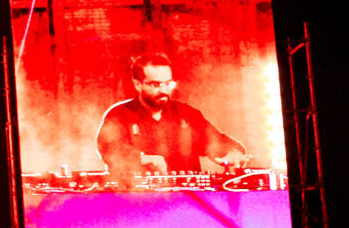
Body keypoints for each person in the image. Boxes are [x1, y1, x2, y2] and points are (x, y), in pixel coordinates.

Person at [96, 52, 246, 191]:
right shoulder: (119, 115)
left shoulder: (187, 114)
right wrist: (142, 159)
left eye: (168, 83)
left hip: (188, 200)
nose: (164, 91)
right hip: (135, 199)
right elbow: (110, 149)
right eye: (155, 85)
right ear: (137, 84)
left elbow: (216, 142)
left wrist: (233, 153)